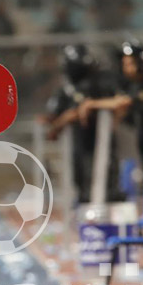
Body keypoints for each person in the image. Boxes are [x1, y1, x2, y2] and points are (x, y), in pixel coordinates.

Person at [80, 40, 143, 263]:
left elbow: (122, 103)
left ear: (142, 64)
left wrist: (92, 104)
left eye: (129, 63)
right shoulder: (135, 86)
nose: (125, 68)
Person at [45, 44, 125, 204]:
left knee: (108, 182)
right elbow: (52, 128)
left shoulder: (101, 81)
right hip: (80, 145)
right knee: (83, 185)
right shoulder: (66, 89)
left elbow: (121, 102)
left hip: (103, 143)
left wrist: (93, 105)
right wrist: (67, 117)